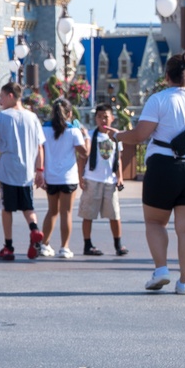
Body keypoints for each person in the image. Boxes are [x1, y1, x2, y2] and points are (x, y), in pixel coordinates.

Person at [118, 50, 185, 294]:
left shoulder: (159, 99)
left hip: (164, 167)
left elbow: (140, 135)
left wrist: (117, 135)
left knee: (155, 222)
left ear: (166, 76)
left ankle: (161, 269)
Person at [0, 83, 46, 260]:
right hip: (27, 170)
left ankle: (8, 246)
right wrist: (40, 170)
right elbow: (40, 146)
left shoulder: (2, 117)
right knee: (28, 206)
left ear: (11, 96)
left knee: (7, 208)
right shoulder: (32, 117)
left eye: (1, 96)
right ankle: (34, 230)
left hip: (8, 168)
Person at [38, 97, 88, 258]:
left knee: (52, 211)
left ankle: (44, 244)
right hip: (68, 176)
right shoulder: (73, 131)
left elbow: (40, 151)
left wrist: (40, 172)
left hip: (51, 176)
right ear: (70, 113)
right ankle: (64, 247)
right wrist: (85, 136)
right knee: (66, 212)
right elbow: (84, 152)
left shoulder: (45, 129)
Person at [79, 103, 129, 259]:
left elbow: (118, 159)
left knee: (114, 214)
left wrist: (119, 177)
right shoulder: (91, 136)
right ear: (95, 119)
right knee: (88, 213)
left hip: (110, 180)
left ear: (112, 118)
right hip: (92, 179)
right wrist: (81, 176)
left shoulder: (116, 136)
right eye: (99, 117)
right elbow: (83, 158)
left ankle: (118, 244)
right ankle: (87, 244)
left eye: (106, 117)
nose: (103, 120)